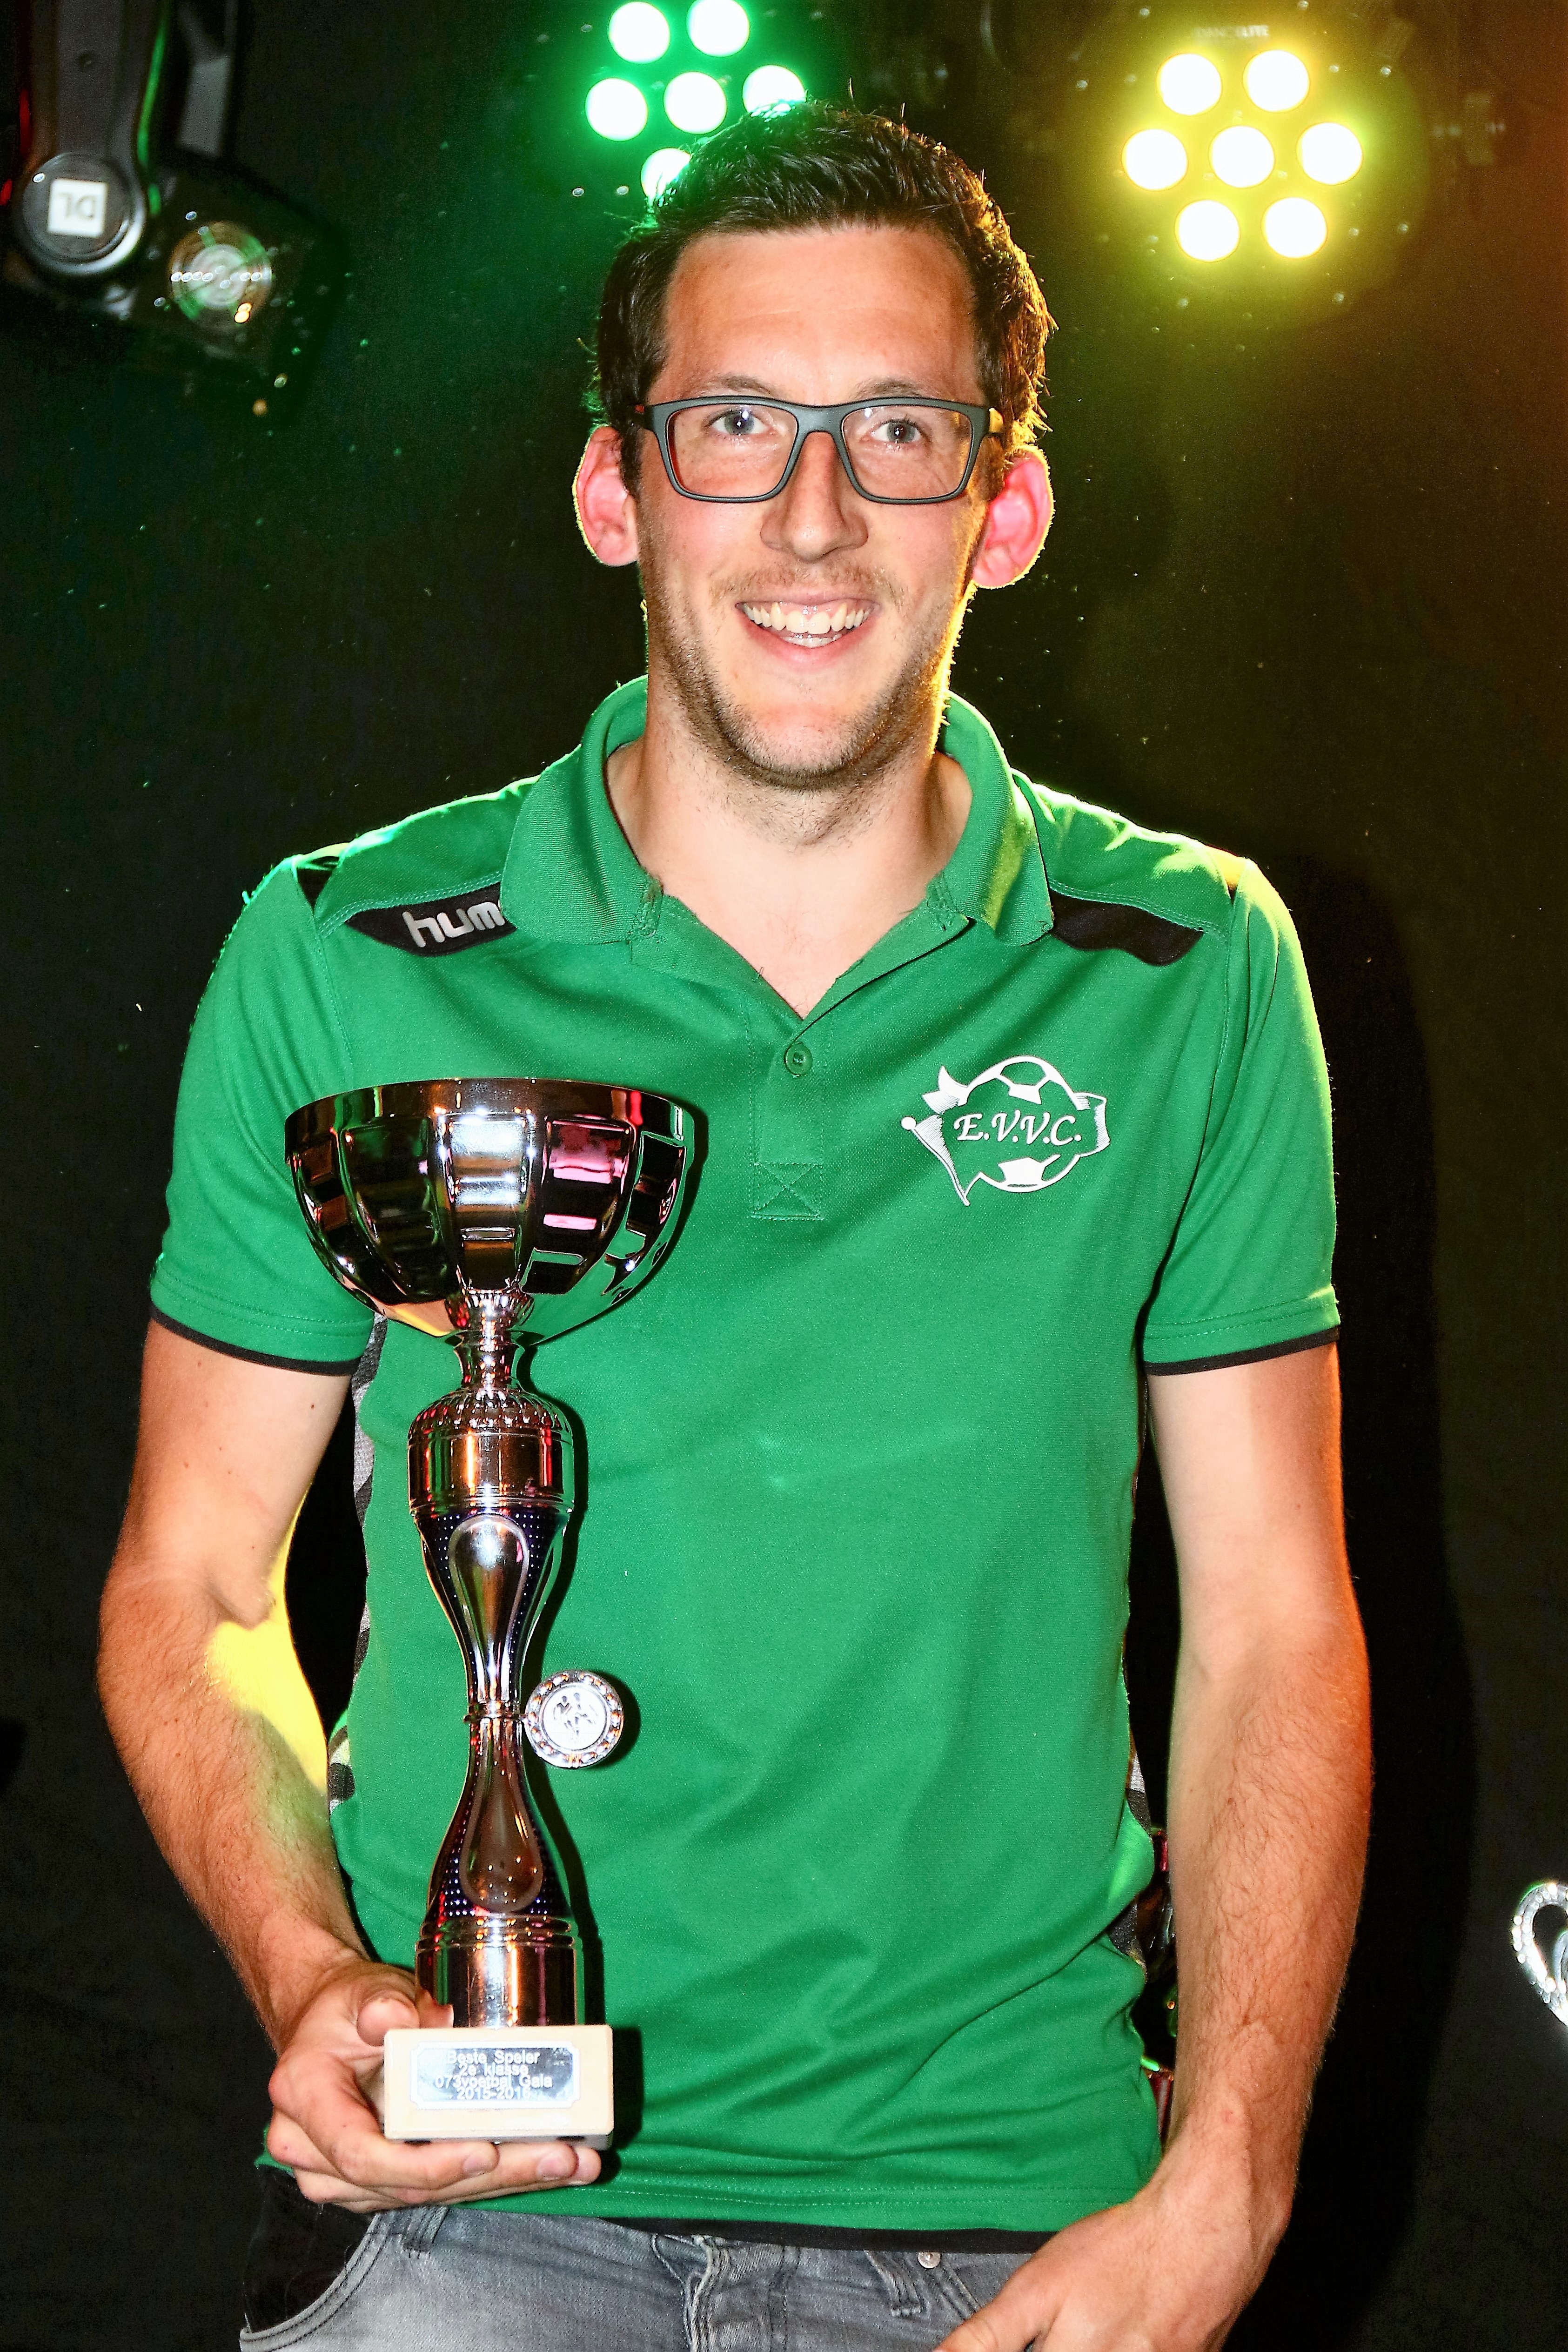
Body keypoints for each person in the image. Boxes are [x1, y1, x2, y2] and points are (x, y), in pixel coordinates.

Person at [100, 102, 1371, 2352]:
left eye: (898, 430)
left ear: (1006, 505)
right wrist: (309, 1973)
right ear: (617, 488)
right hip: (459, 2216)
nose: (812, 513)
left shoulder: (1188, 966)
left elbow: (1275, 1625)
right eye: (736, 425)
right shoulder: (343, 949)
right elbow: (190, 1584)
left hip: (1016, 2226)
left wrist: (1230, 2183)